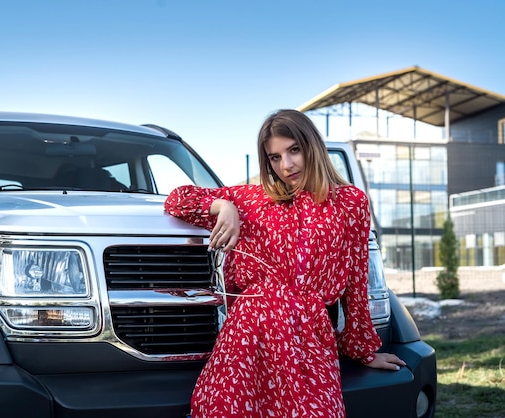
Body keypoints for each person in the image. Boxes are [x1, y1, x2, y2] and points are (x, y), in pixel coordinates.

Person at [164, 109, 406, 418]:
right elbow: (178, 198)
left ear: (312, 146)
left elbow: (356, 280)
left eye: (294, 150)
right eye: (274, 158)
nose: (286, 165)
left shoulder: (351, 203)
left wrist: (362, 350)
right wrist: (222, 206)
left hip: (308, 335)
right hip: (249, 333)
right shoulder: (252, 199)